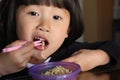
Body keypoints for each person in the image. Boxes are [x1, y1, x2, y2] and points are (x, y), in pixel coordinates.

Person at [0, 0, 120, 79]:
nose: (44, 26)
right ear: (14, 19)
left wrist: (98, 57)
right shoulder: (4, 55)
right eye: (33, 13)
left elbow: (113, 47)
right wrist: (2, 67)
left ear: (67, 30)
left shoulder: (68, 52)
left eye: (56, 17)